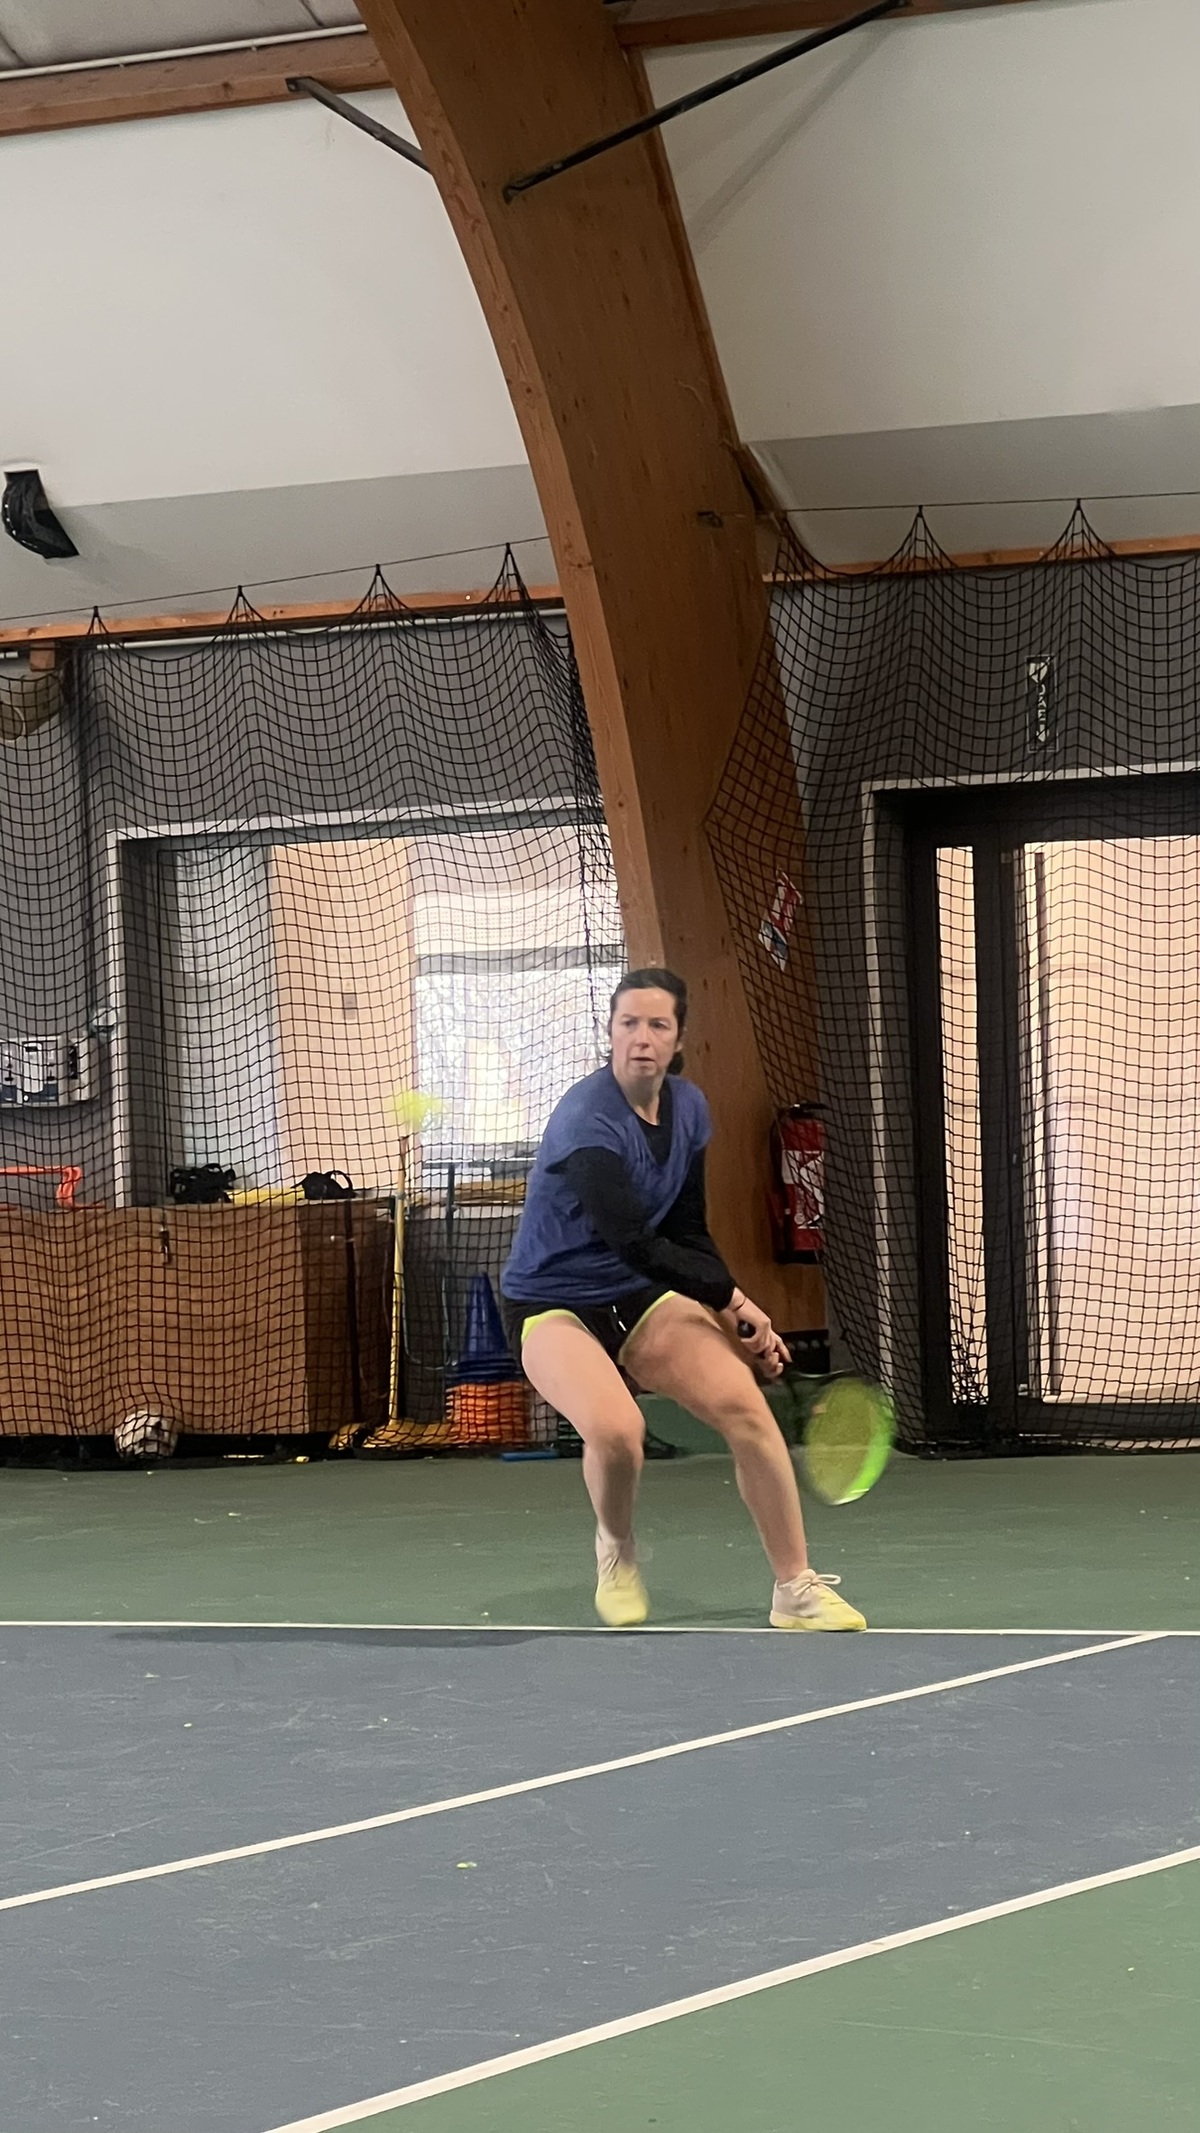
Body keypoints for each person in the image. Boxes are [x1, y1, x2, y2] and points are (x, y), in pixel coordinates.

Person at [501, 967, 865, 1632]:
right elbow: (636, 1243)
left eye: (657, 1024)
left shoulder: (689, 1108)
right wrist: (733, 1301)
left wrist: (731, 1311)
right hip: (552, 1302)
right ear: (611, 1033)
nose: (641, 1037)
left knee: (745, 1408)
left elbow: (687, 1231)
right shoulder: (587, 1119)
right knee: (618, 1432)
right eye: (628, 1023)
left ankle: (795, 1587)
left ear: (678, 1039)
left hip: (639, 1297)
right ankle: (616, 1549)